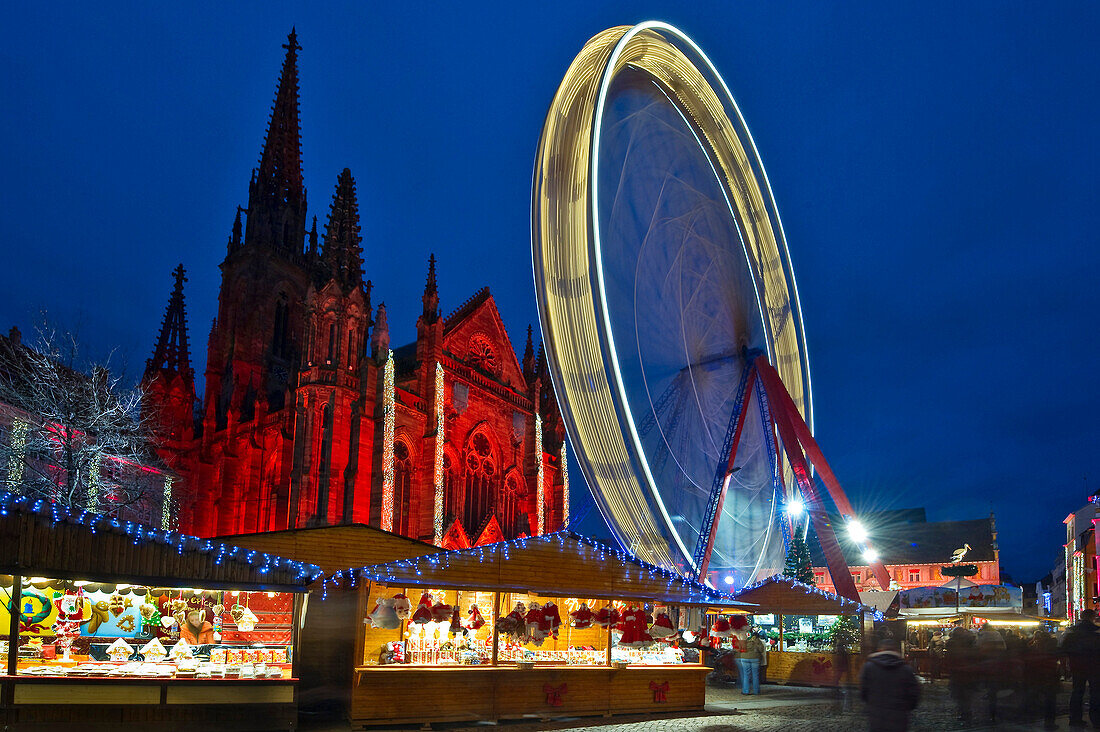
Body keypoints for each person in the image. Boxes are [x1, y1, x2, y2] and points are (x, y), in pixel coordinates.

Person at [859, 637, 921, 732]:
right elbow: (914, 693)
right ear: (895, 650)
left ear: (879, 649)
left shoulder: (869, 667)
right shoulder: (905, 669)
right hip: (899, 715)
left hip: (876, 714)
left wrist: (871, 704)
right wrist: (907, 707)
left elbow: (863, 691)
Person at [1060, 608, 1100, 728]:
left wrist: (1065, 666)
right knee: (1096, 693)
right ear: (1093, 617)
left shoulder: (1071, 631)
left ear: (1081, 617)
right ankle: (1096, 720)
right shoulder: (1097, 631)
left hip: (1077, 665)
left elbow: (1063, 650)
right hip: (1095, 666)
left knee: (1077, 692)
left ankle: (1075, 719)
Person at [1026, 628, 1061, 730]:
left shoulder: (1032, 647)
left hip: (1036, 676)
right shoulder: (1052, 648)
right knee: (1050, 700)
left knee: (1034, 697)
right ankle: (1049, 722)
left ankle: (1032, 718)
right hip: (1049, 676)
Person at [945, 621, 977, 722]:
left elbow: (950, 658)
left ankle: (964, 712)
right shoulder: (971, 643)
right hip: (968, 672)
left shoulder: (952, 643)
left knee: (960, 694)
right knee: (966, 694)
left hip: (958, 672)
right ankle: (967, 712)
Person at [976, 623, 1007, 722]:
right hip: (998, 664)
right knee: (993, 687)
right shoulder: (997, 634)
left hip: (985, 664)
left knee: (988, 685)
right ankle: (994, 708)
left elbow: (977, 647)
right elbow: (1004, 648)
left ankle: (991, 708)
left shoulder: (982, 635)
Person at [738, 631, 766, 695]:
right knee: (755, 675)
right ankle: (756, 691)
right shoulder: (758, 641)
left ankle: (745, 691)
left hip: (744, 658)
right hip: (755, 659)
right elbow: (761, 650)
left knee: (746, 675)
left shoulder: (746, 640)